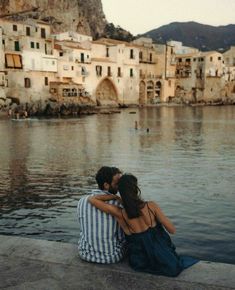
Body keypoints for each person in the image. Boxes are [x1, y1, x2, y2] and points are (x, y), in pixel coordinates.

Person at [88, 174, 198, 277]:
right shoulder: (151, 206)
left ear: (121, 192)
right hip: (162, 256)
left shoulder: (120, 213)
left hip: (139, 261)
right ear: (135, 189)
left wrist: (115, 198)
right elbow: (172, 230)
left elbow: (91, 199)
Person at [77, 166, 126, 264]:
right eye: (117, 184)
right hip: (111, 257)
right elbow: (122, 238)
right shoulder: (118, 204)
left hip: (84, 253)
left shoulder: (82, 201)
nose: (119, 186)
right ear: (106, 185)